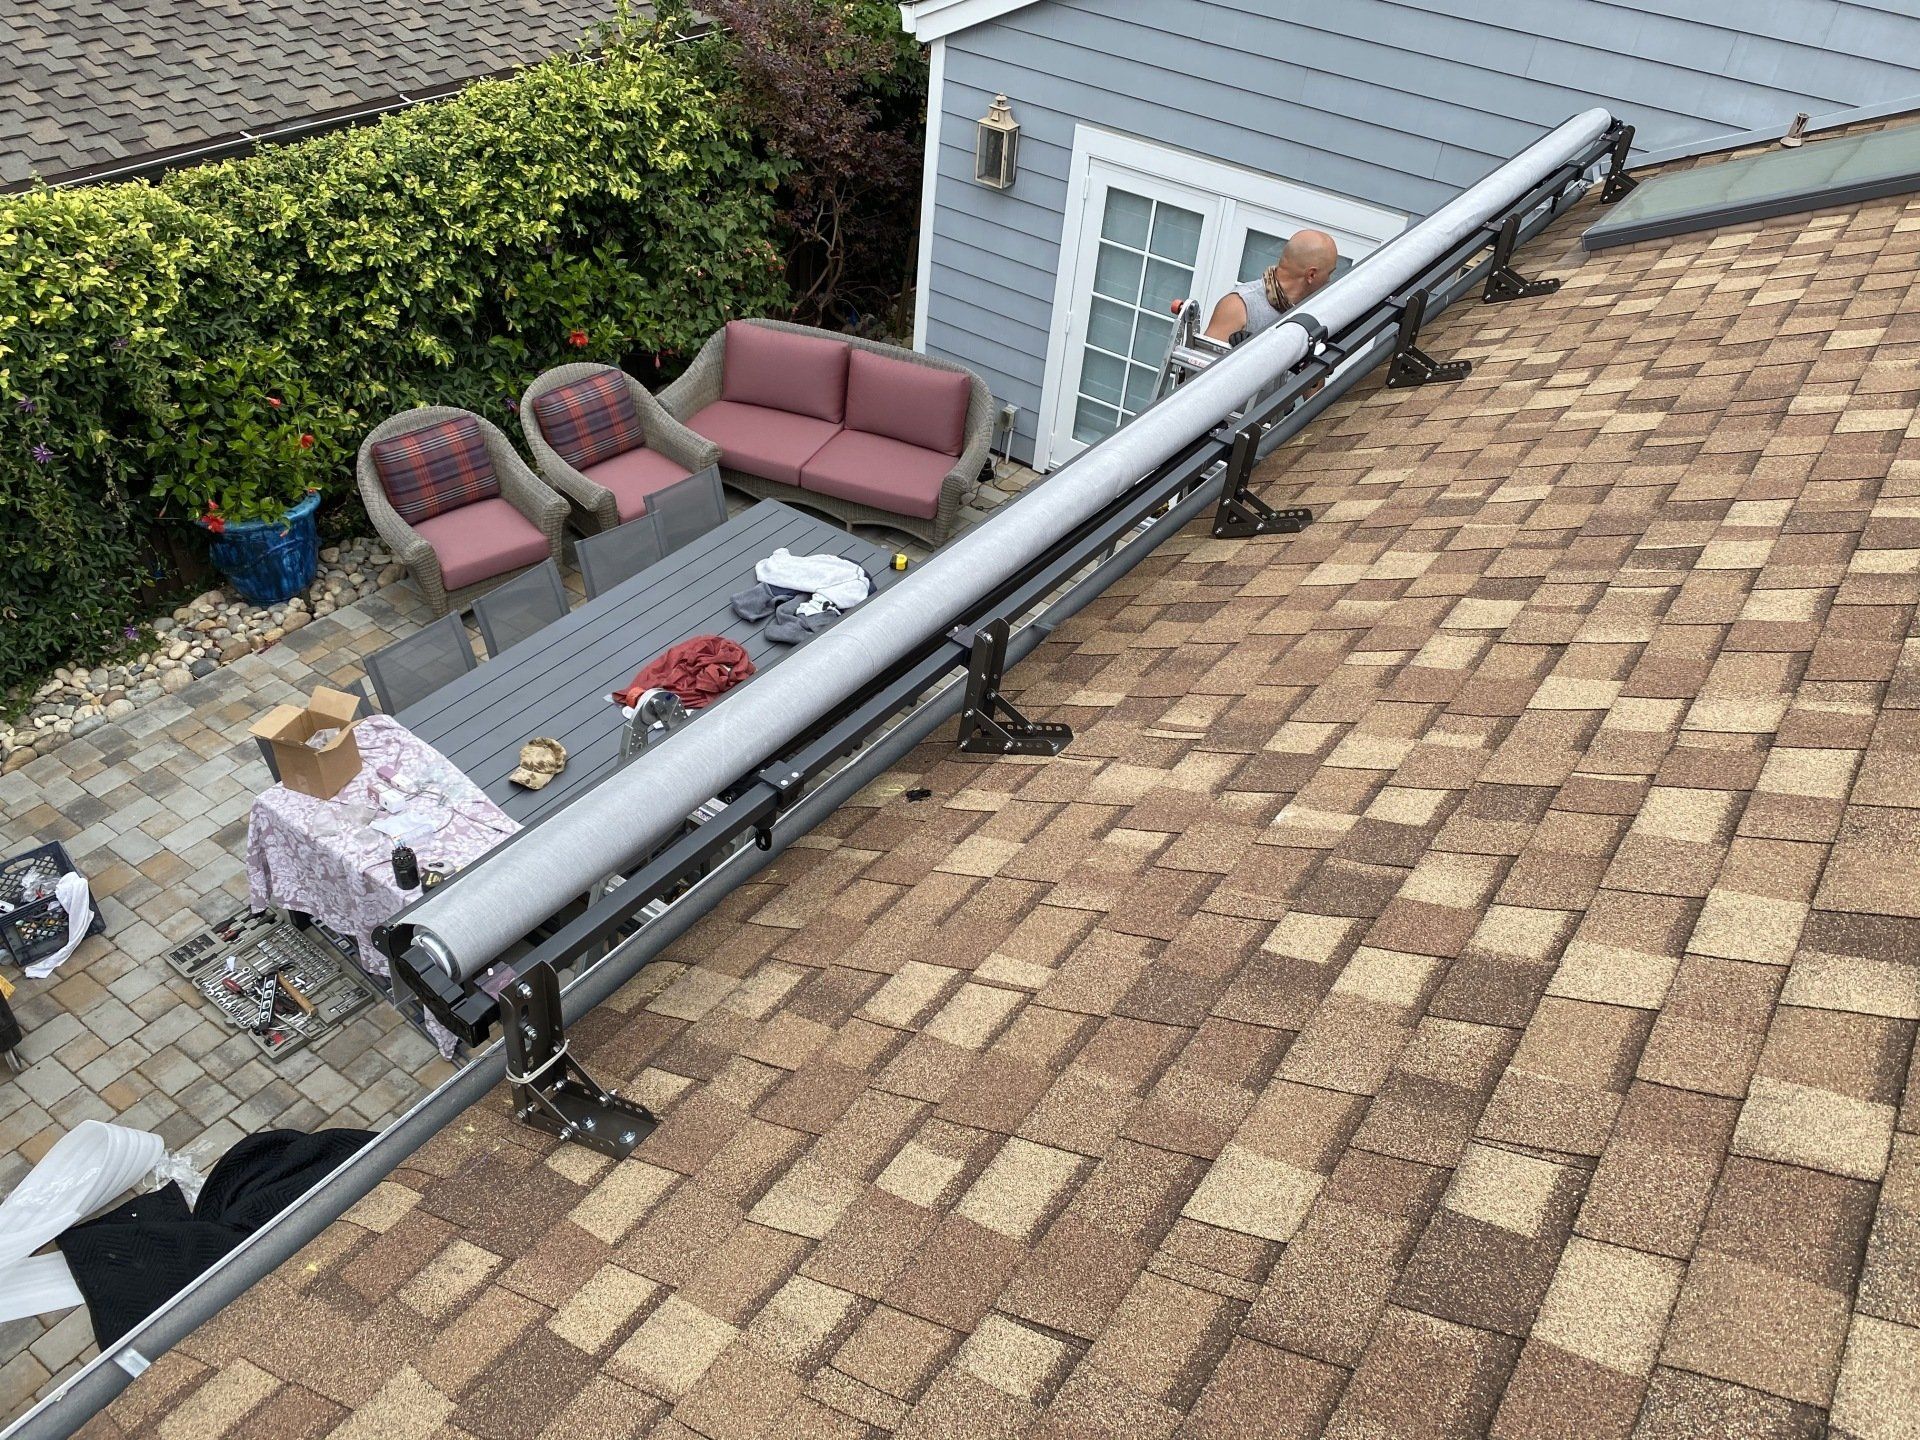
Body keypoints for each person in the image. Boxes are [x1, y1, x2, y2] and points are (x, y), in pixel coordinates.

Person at [1203, 229, 1339, 345]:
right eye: (1329, 273)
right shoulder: (1239, 305)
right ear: (1311, 274)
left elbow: (1314, 376)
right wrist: (1241, 354)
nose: (1329, 281)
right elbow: (1201, 369)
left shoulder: (1311, 315)